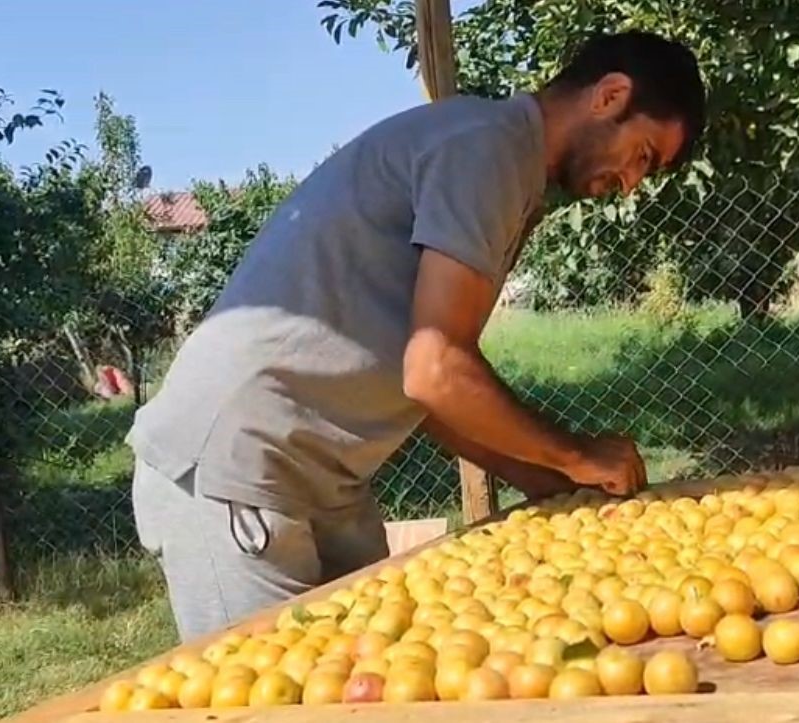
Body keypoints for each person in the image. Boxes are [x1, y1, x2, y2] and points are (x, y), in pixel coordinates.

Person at [125, 30, 707, 642]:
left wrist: (553, 485)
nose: (632, 182)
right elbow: (436, 368)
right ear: (610, 95)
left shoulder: (504, 166)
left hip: (326, 479)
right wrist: (576, 455)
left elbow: (433, 392)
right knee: (274, 697)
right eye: (642, 155)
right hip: (238, 468)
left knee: (385, 676)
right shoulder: (486, 150)